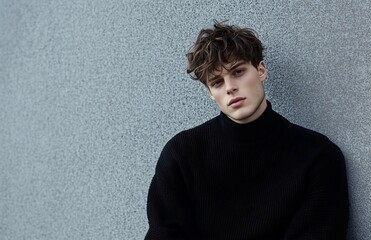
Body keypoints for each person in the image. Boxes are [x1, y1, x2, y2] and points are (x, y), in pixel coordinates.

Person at [145, 21, 349, 239]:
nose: (230, 87)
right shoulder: (182, 154)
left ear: (261, 70)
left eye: (238, 71)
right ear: (210, 93)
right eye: (217, 82)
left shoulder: (317, 156)